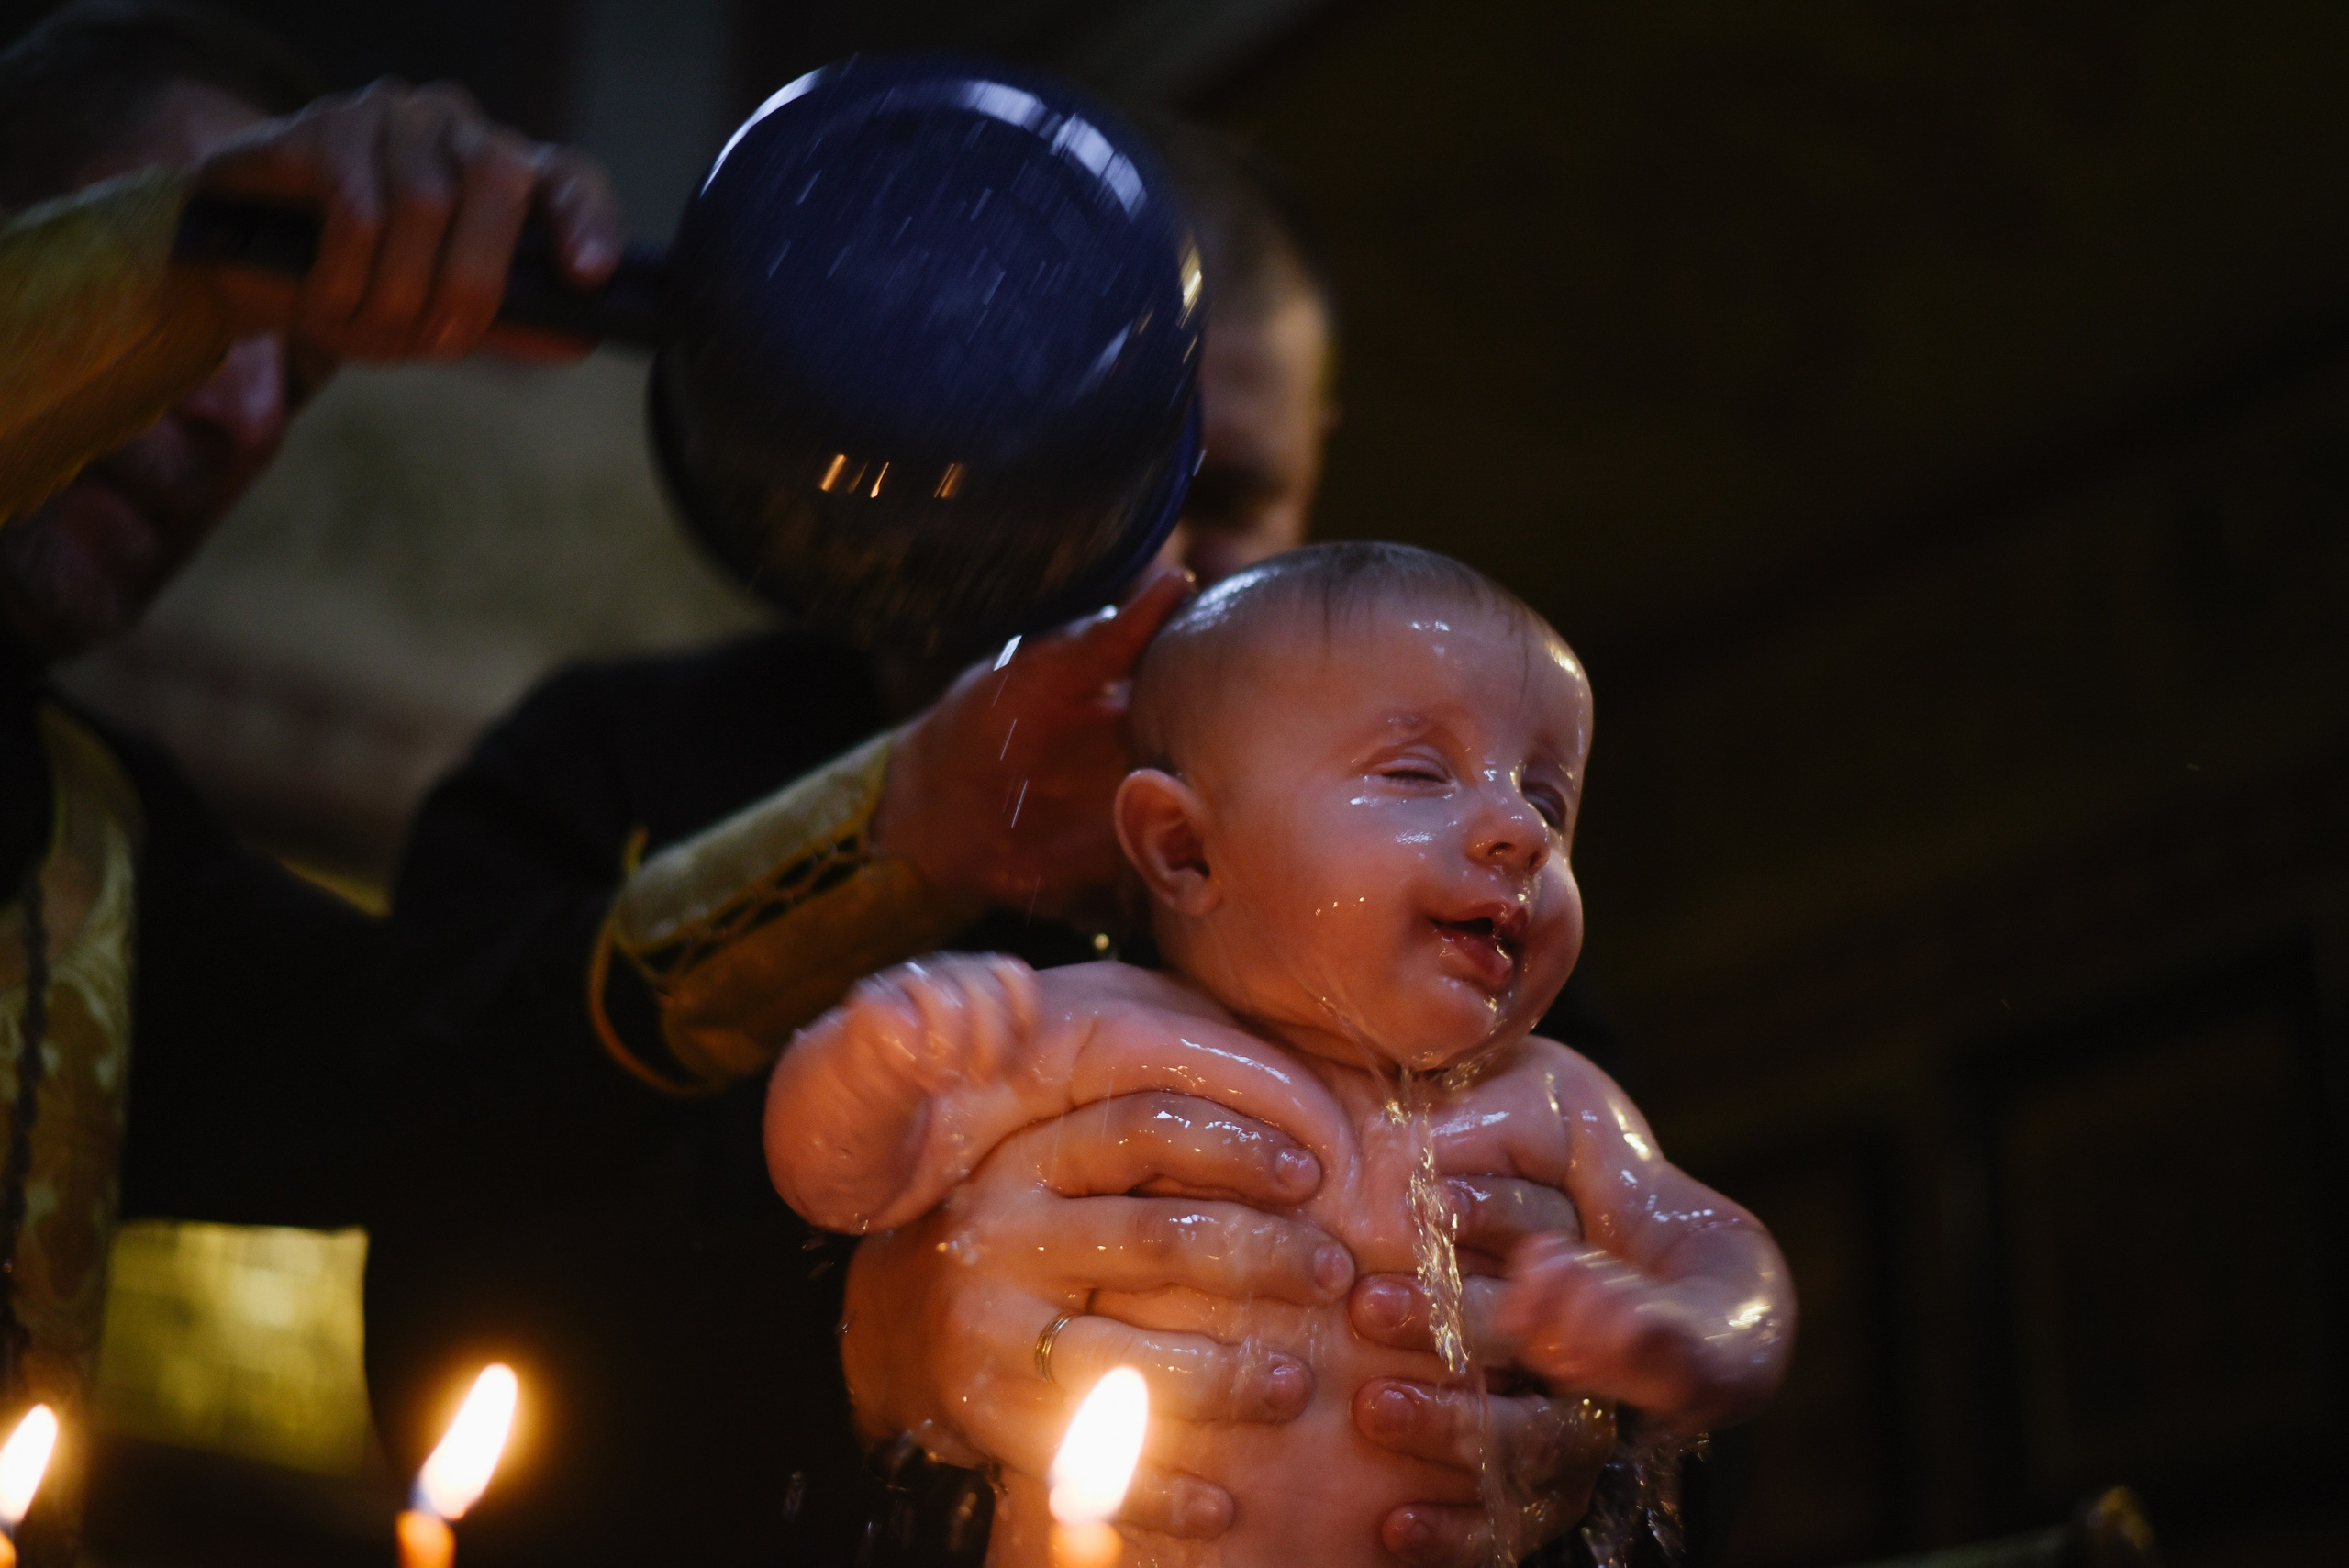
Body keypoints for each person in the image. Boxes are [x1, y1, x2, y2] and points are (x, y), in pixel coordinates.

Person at [367, 124, 1613, 1567]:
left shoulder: (1464, 892)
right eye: (1081, 475)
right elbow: (439, 1346)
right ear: (925, 441)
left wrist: (1583, 1405)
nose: (1154, 573)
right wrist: (850, 1336)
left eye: (1223, 499)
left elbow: (1681, 1413)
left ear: (1318, 472)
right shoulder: (605, 768)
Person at [765, 544, 1794, 1567]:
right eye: (1417, 773)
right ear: (1184, 847)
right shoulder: (1082, 1031)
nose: (1518, 832)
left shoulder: (1553, 1099)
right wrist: (876, 1058)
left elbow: (1715, 1244)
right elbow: (836, 1183)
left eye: (1547, 797)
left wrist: (1681, 1333)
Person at [0, 2, 620, 1556]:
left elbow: (479, 1058)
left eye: (298, 364)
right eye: (216, 310)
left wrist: (908, 818)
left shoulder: (99, 840)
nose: (248, 412)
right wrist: (184, 254)